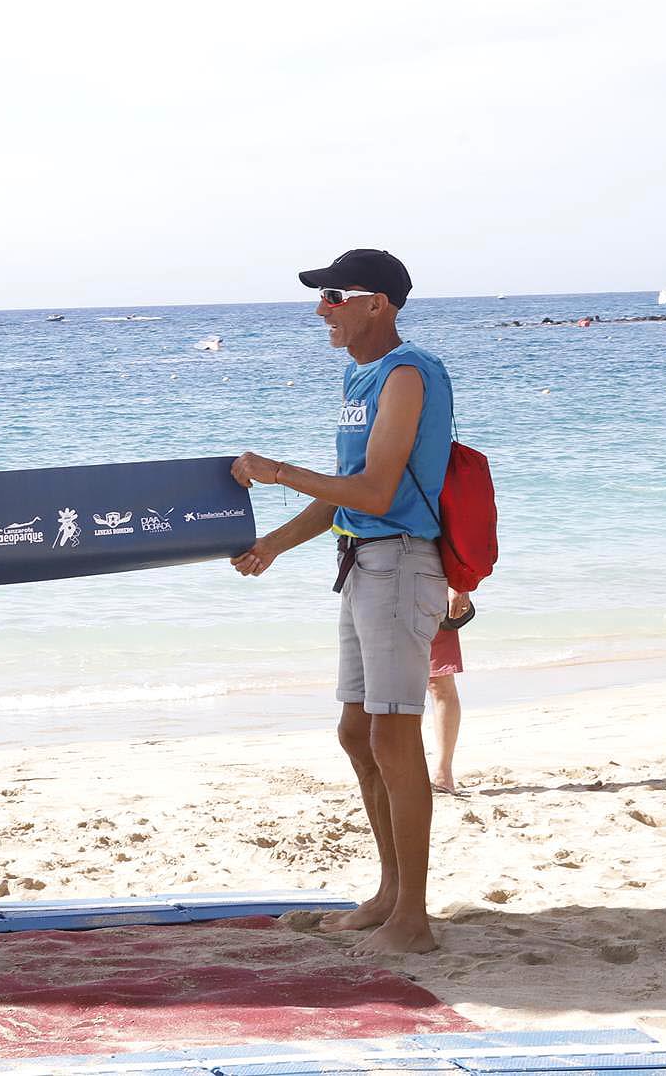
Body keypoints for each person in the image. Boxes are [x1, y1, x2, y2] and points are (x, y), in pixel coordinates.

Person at [227, 249, 452, 956]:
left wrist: (275, 471)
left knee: (391, 734)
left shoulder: (406, 371)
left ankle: (411, 919)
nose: (320, 308)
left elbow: (376, 493)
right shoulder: (360, 376)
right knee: (357, 734)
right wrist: (271, 544)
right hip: (361, 564)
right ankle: (388, 893)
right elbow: (345, 498)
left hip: (398, 566)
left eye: (332, 295)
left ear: (375, 303)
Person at [427, 590, 473, 795]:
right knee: (403, 687)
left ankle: (443, 774)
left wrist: (459, 587)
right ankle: (408, 770)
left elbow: (463, 556)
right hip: (384, 586)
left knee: (439, 682)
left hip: (431, 585)